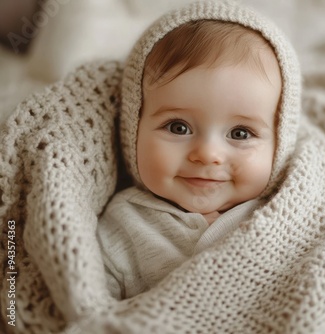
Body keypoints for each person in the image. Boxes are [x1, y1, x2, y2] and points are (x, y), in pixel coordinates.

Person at [97, 1, 301, 300]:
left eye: (240, 133)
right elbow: (87, 307)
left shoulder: (286, 215)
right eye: (178, 127)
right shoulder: (124, 226)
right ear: (132, 127)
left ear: (280, 144)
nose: (207, 154)